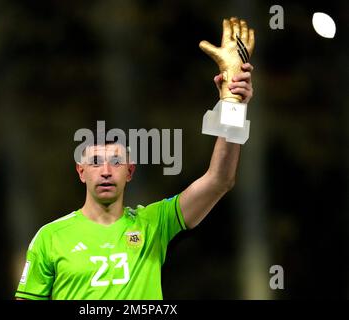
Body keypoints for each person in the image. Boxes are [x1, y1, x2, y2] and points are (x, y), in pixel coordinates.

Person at [14, 59, 253, 300]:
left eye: (116, 162)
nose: (106, 171)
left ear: (129, 171)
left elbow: (219, 180)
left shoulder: (153, 223)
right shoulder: (50, 237)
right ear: (81, 171)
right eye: (95, 162)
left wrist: (234, 106)